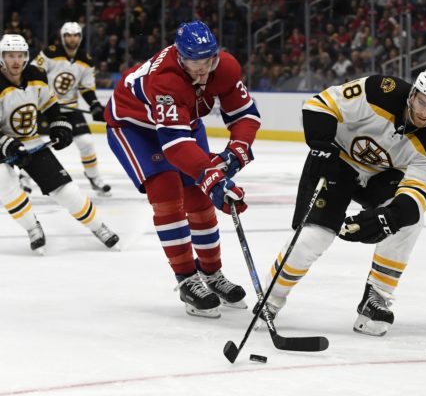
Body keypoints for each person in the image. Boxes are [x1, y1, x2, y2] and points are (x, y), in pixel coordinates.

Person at [259, 65, 426, 336]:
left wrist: (388, 218)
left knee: (410, 221)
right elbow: (321, 105)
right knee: (314, 236)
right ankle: (271, 297)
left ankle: (377, 296)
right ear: (412, 93)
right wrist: (321, 145)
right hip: (336, 160)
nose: (425, 112)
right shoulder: (380, 91)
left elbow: (418, 194)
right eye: (422, 101)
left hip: (382, 177)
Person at [104, 21, 261, 318]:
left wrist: (238, 149)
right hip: (133, 126)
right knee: (166, 190)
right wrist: (211, 175)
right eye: (194, 62)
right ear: (179, 56)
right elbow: (175, 145)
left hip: (182, 122)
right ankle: (187, 279)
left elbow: (246, 115)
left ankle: (212, 274)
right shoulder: (165, 79)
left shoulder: (224, 68)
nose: (203, 70)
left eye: (208, 61)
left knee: (201, 198)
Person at [0, 34, 119, 254]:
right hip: (2, 144)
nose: (15, 61)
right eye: (9, 56)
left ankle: (97, 227)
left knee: (66, 190)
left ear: (26, 57)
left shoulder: (36, 75)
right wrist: (9, 145)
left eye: (19, 55)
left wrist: (60, 125)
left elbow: (50, 105)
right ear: (1, 57)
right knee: (3, 182)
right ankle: (32, 228)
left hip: (30, 139)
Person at [31, 22, 112, 195]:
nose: (72, 38)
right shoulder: (49, 53)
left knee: (87, 142)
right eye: (68, 35)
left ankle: (94, 178)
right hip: (46, 108)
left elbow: (86, 88)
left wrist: (95, 104)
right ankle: (23, 179)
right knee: (33, 144)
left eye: (75, 35)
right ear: (62, 37)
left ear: (80, 37)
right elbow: (33, 72)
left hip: (70, 110)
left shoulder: (86, 60)